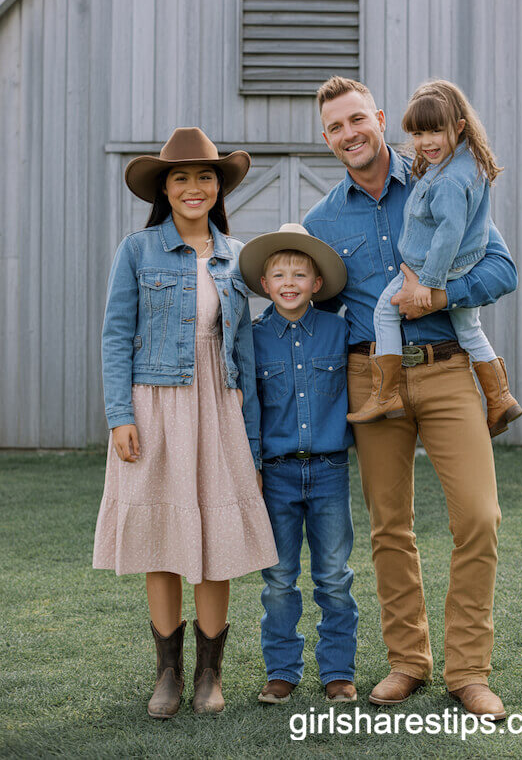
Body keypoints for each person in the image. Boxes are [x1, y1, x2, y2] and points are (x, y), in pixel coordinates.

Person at [304, 76, 518, 720]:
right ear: (327, 139)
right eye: (335, 128)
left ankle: (469, 671)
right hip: (373, 379)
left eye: (356, 120)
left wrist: (440, 295)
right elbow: (313, 305)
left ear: (377, 117)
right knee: (389, 526)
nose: (349, 135)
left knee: (479, 517)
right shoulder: (322, 221)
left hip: (450, 369)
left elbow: (501, 269)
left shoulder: (441, 174)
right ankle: (407, 662)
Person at [93, 127, 278, 719]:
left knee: (218, 539)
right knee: (163, 539)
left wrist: (249, 434)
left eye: (205, 177)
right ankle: (167, 674)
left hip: (219, 406)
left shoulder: (235, 257)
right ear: (165, 189)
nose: (193, 188)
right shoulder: (137, 250)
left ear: (218, 187)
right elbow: (116, 335)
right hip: (156, 405)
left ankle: (209, 675)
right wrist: (121, 415)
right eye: (181, 178)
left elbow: (243, 351)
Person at [348, 79, 522, 435]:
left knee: (384, 312)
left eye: (433, 132)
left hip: (430, 268)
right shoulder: (464, 165)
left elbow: (448, 234)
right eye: (417, 134)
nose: (425, 143)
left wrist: (428, 283)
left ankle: (386, 393)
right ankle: (500, 397)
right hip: (460, 265)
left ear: (458, 127)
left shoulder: (447, 182)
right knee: (469, 329)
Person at [238, 224, 359, 704]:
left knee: (333, 576)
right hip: (278, 474)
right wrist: (252, 463)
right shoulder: (252, 338)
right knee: (279, 580)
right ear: (265, 285)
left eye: (300, 274)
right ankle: (282, 671)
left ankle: (338, 673)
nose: (289, 282)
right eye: (279, 275)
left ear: (317, 284)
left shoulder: (340, 329)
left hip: (330, 472)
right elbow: (248, 406)